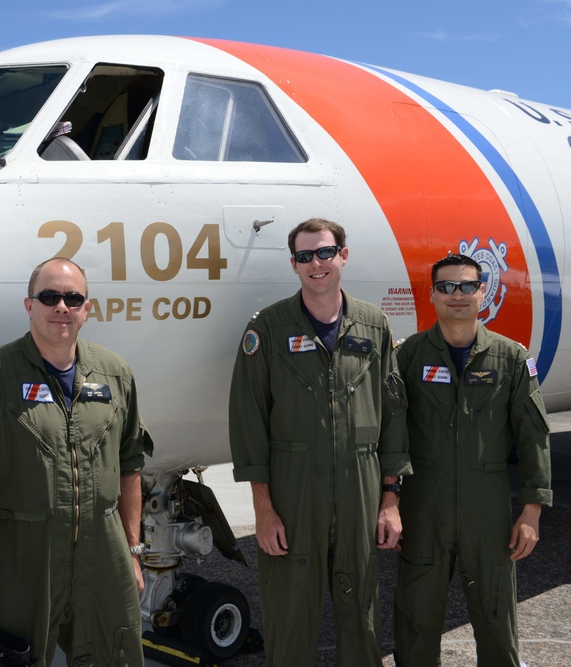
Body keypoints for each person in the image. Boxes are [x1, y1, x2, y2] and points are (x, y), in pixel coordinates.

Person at [0, 257, 153, 667]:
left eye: (73, 298)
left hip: (104, 559)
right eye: (50, 296)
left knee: (115, 655)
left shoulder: (115, 374)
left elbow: (130, 466)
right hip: (20, 564)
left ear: (87, 309)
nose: (61, 307)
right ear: (29, 305)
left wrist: (132, 552)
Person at [228, 218, 411, 666]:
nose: (317, 264)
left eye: (325, 252)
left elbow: (393, 414)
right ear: (294, 265)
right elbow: (248, 421)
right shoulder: (268, 330)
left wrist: (390, 500)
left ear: (343, 256)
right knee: (289, 621)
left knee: (361, 620)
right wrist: (264, 510)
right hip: (293, 497)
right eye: (305, 256)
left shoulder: (374, 324)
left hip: (360, 494)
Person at [393, 253, 552, 667]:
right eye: (446, 287)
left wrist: (532, 511)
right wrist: (388, 499)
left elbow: (533, 434)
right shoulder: (408, 357)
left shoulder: (511, 359)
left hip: (488, 510)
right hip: (424, 507)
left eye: (466, 285)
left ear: (483, 291)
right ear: (433, 296)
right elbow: (389, 433)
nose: (456, 295)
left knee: (497, 620)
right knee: (415, 622)